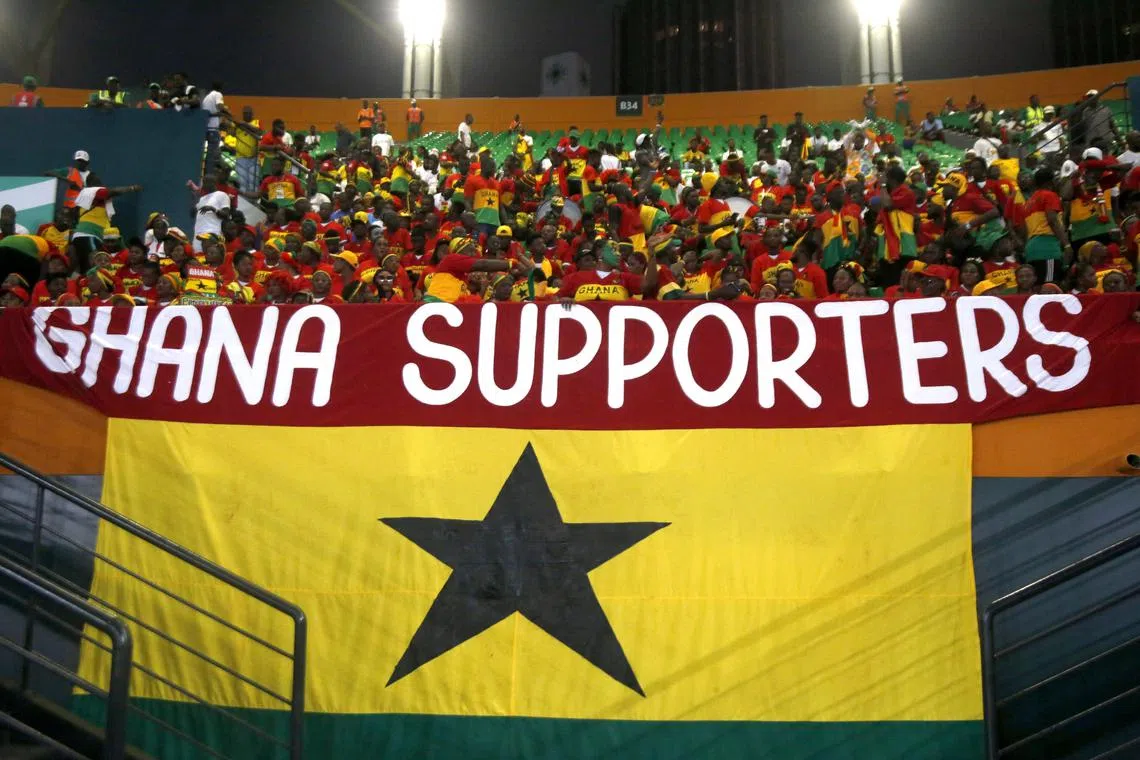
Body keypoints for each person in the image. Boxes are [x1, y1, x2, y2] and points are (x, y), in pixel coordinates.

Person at [1023, 167, 1071, 284]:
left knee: (1038, 289)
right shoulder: (1049, 195)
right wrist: (1067, 245)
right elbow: (1052, 221)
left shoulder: (1029, 201)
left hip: (1031, 250)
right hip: (1047, 248)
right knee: (1050, 287)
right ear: (1050, 182)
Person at [201, 81, 228, 177]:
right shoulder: (218, 94)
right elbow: (220, 106)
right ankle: (209, 175)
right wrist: (227, 111)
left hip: (205, 128)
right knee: (211, 155)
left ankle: (205, 175)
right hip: (213, 129)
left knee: (207, 155)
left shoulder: (206, 98)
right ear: (220, 88)